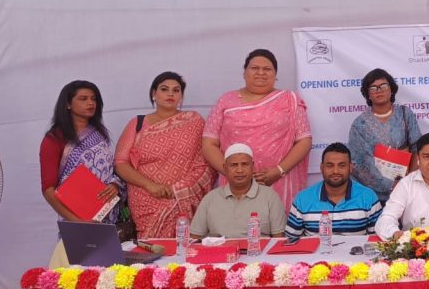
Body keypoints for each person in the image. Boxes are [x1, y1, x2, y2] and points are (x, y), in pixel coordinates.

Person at [202, 48, 312, 210]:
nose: (261, 72)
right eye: (255, 68)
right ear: (244, 72)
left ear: (275, 75)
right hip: (234, 182)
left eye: (267, 69)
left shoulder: (289, 99)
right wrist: (232, 173)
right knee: (237, 223)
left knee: (275, 221)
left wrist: (278, 171)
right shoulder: (226, 101)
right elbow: (209, 143)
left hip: (278, 180)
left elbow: (304, 140)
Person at [113, 72, 215, 238]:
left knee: (184, 246)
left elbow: (205, 164)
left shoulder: (194, 121)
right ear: (154, 93)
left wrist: (178, 190)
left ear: (181, 96)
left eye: (176, 90)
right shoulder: (137, 123)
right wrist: (150, 186)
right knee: (150, 247)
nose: (170, 94)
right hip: (145, 198)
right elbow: (120, 162)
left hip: (182, 198)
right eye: (164, 89)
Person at [39, 80, 121, 223]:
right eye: (83, 99)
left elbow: (110, 170)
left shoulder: (99, 134)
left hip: (108, 212)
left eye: (94, 99)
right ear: (68, 104)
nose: (91, 103)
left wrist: (115, 185)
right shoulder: (54, 139)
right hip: (75, 215)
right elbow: (48, 189)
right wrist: (77, 221)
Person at [347, 68, 422, 204]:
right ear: (368, 94)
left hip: (407, 191)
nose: (379, 90)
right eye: (373, 88)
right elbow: (360, 163)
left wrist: (407, 182)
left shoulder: (405, 114)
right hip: (373, 196)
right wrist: (391, 185)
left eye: (383, 86)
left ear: (391, 89)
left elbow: (417, 148)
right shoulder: (360, 124)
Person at [286, 142, 382, 238]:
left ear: (351, 167)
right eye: (330, 165)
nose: (335, 171)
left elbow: (377, 241)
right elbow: (291, 240)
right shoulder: (302, 199)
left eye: (342, 165)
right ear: (321, 168)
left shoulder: (368, 197)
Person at [190, 143, 286, 238]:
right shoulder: (210, 199)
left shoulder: (270, 197)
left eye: (245, 164)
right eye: (233, 165)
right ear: (225, 168)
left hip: (256, 248)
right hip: (220, 248)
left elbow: (279, 239)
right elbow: (194, 238)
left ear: (252, 166)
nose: (240, 170)